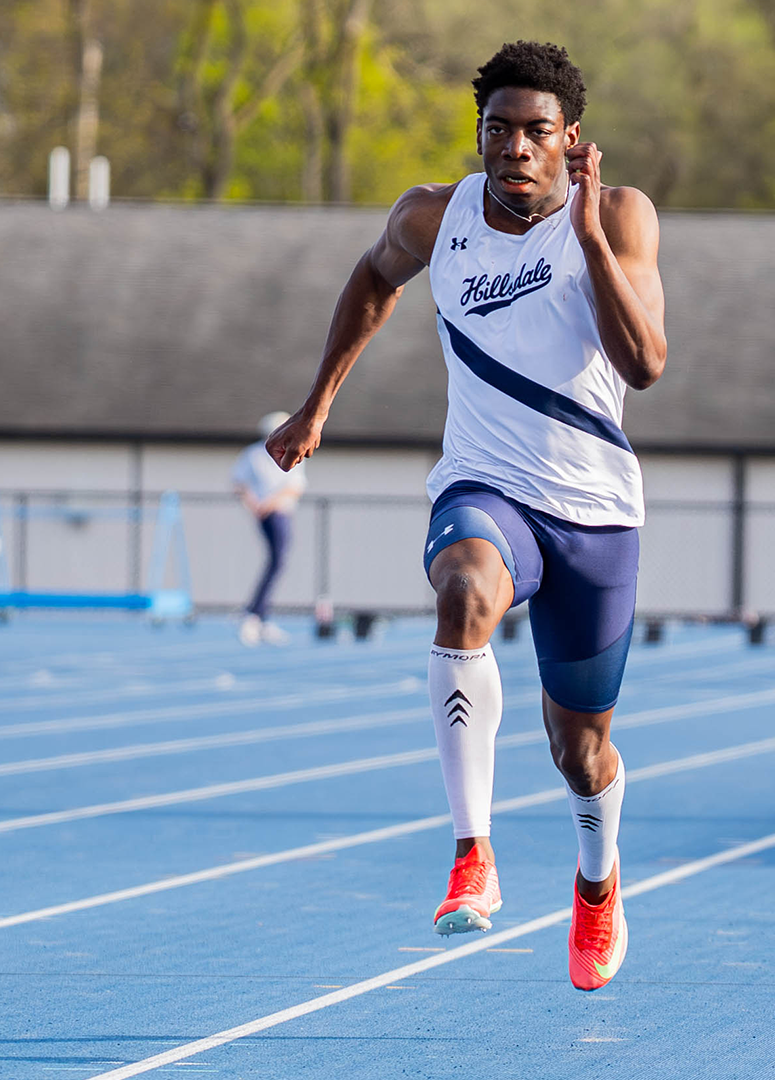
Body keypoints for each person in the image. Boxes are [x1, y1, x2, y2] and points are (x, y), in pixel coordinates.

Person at [265, 41, 664, 991]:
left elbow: (646, 362)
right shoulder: (432, 217)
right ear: (479, 137)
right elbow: (373, 277)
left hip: (595, 512)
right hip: (484, 483)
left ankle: (598, 882)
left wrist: (592, 242)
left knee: (581, 750)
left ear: (572, 141)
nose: (517, 148)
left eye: (538, 133)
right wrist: (318, 402)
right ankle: (472, 852)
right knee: (464, 596)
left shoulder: (616, 215)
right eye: (499, 131)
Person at [232, 410, 304, 646]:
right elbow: (239, 483)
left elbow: (294, 487)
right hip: (271, 515)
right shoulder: (255, 454)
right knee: (277, 561)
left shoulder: (289, 449)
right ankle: (254, 613)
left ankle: (259, 615)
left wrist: (265, 503)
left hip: (277, 510)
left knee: (277, 562)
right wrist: (255, 504)